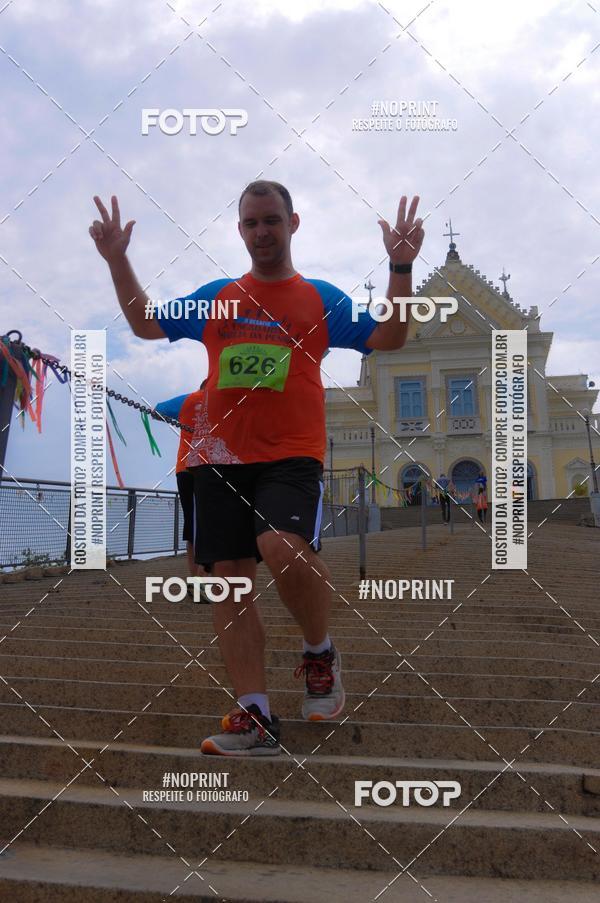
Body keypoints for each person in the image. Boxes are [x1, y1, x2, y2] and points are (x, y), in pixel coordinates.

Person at [89, 182, 424, 756]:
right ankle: (256, 716)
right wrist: (119, 260)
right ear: (240, 230)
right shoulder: (218, 298)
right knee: (229, 580)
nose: (262, 231)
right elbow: (146, 324)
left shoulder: (321, 299)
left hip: (291, 453)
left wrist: (399, 265)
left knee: (282, 545)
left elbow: (391, 336)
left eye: (272, 220)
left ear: (293, 223)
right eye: (251, 223)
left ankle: (319, 652)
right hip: (222, 457)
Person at [154, 382, 211, 602]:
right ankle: (200, 582)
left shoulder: (186, 400)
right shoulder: (221, 398)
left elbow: (158, 410)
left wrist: (182, 421)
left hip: (184, 468)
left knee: (192, 526)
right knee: (209, 524)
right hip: (209, 468)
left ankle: (196, 579)